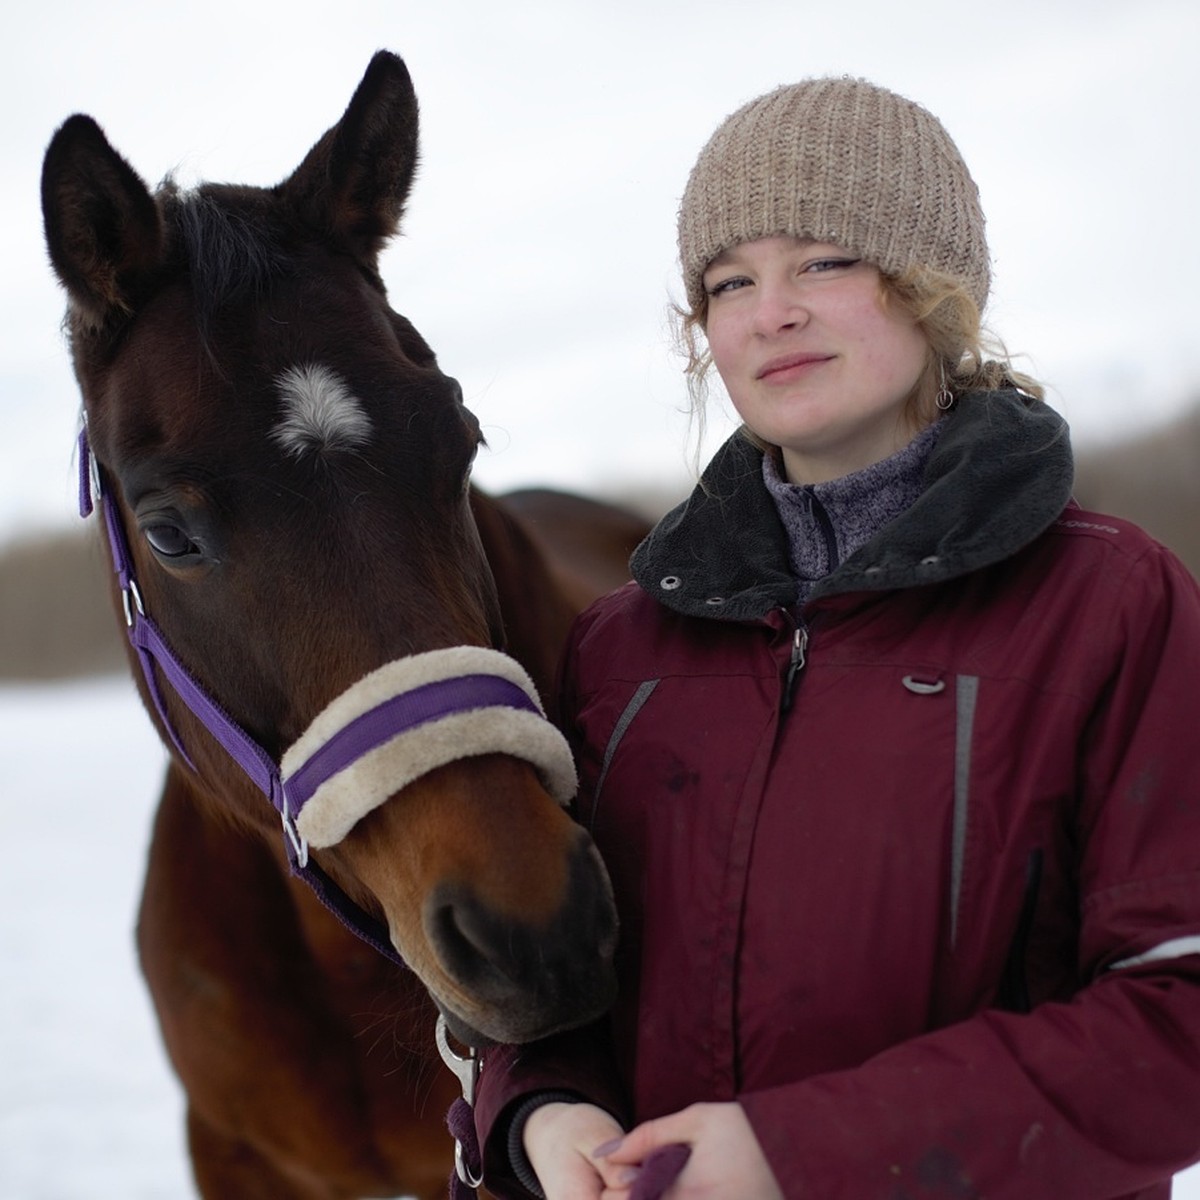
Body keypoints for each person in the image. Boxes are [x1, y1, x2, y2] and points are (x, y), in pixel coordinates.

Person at [471, 76, 1200, 1199]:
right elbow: (556, 978)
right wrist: (539, 1109)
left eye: (824, 261)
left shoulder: (1109, 605)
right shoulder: (622, 647)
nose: (771, 313)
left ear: (930, 286)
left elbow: (1176, 1026)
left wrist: (799, 1154)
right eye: (729, 281)